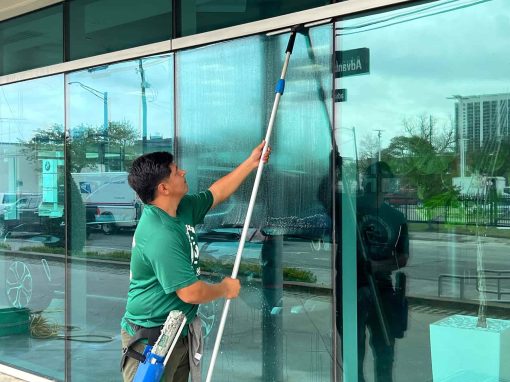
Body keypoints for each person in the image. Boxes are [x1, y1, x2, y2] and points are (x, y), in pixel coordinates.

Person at [120, 141, 271, 382]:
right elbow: (190, 293)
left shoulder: (182, 208)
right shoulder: (159, 233)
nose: (183, 172)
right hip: (151, 339)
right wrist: (225, 288)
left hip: (177, 330)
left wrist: (252, 162)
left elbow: (217, 192)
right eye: (175, 170)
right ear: (164, 188)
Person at [319, 156, 409, 382]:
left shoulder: (396, 218)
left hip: (383, 291)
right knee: (353, 352)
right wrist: (334, 170)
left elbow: (402, 257)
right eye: (372, 179)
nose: (377, 185)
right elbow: (324, 196)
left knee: (385, 352)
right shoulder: (349, 205)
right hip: (352, 289)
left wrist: (377, 265)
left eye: (382, 181)